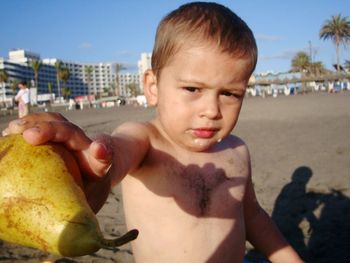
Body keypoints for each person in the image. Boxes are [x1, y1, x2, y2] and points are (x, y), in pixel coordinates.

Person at [3, 2, 303, 262]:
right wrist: (95, 165)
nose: (212, 110)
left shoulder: (237, 151)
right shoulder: (146, 141)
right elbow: (115, 150)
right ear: (152, 86)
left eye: (230, 94)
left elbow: (252, 216)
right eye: (192, 89)